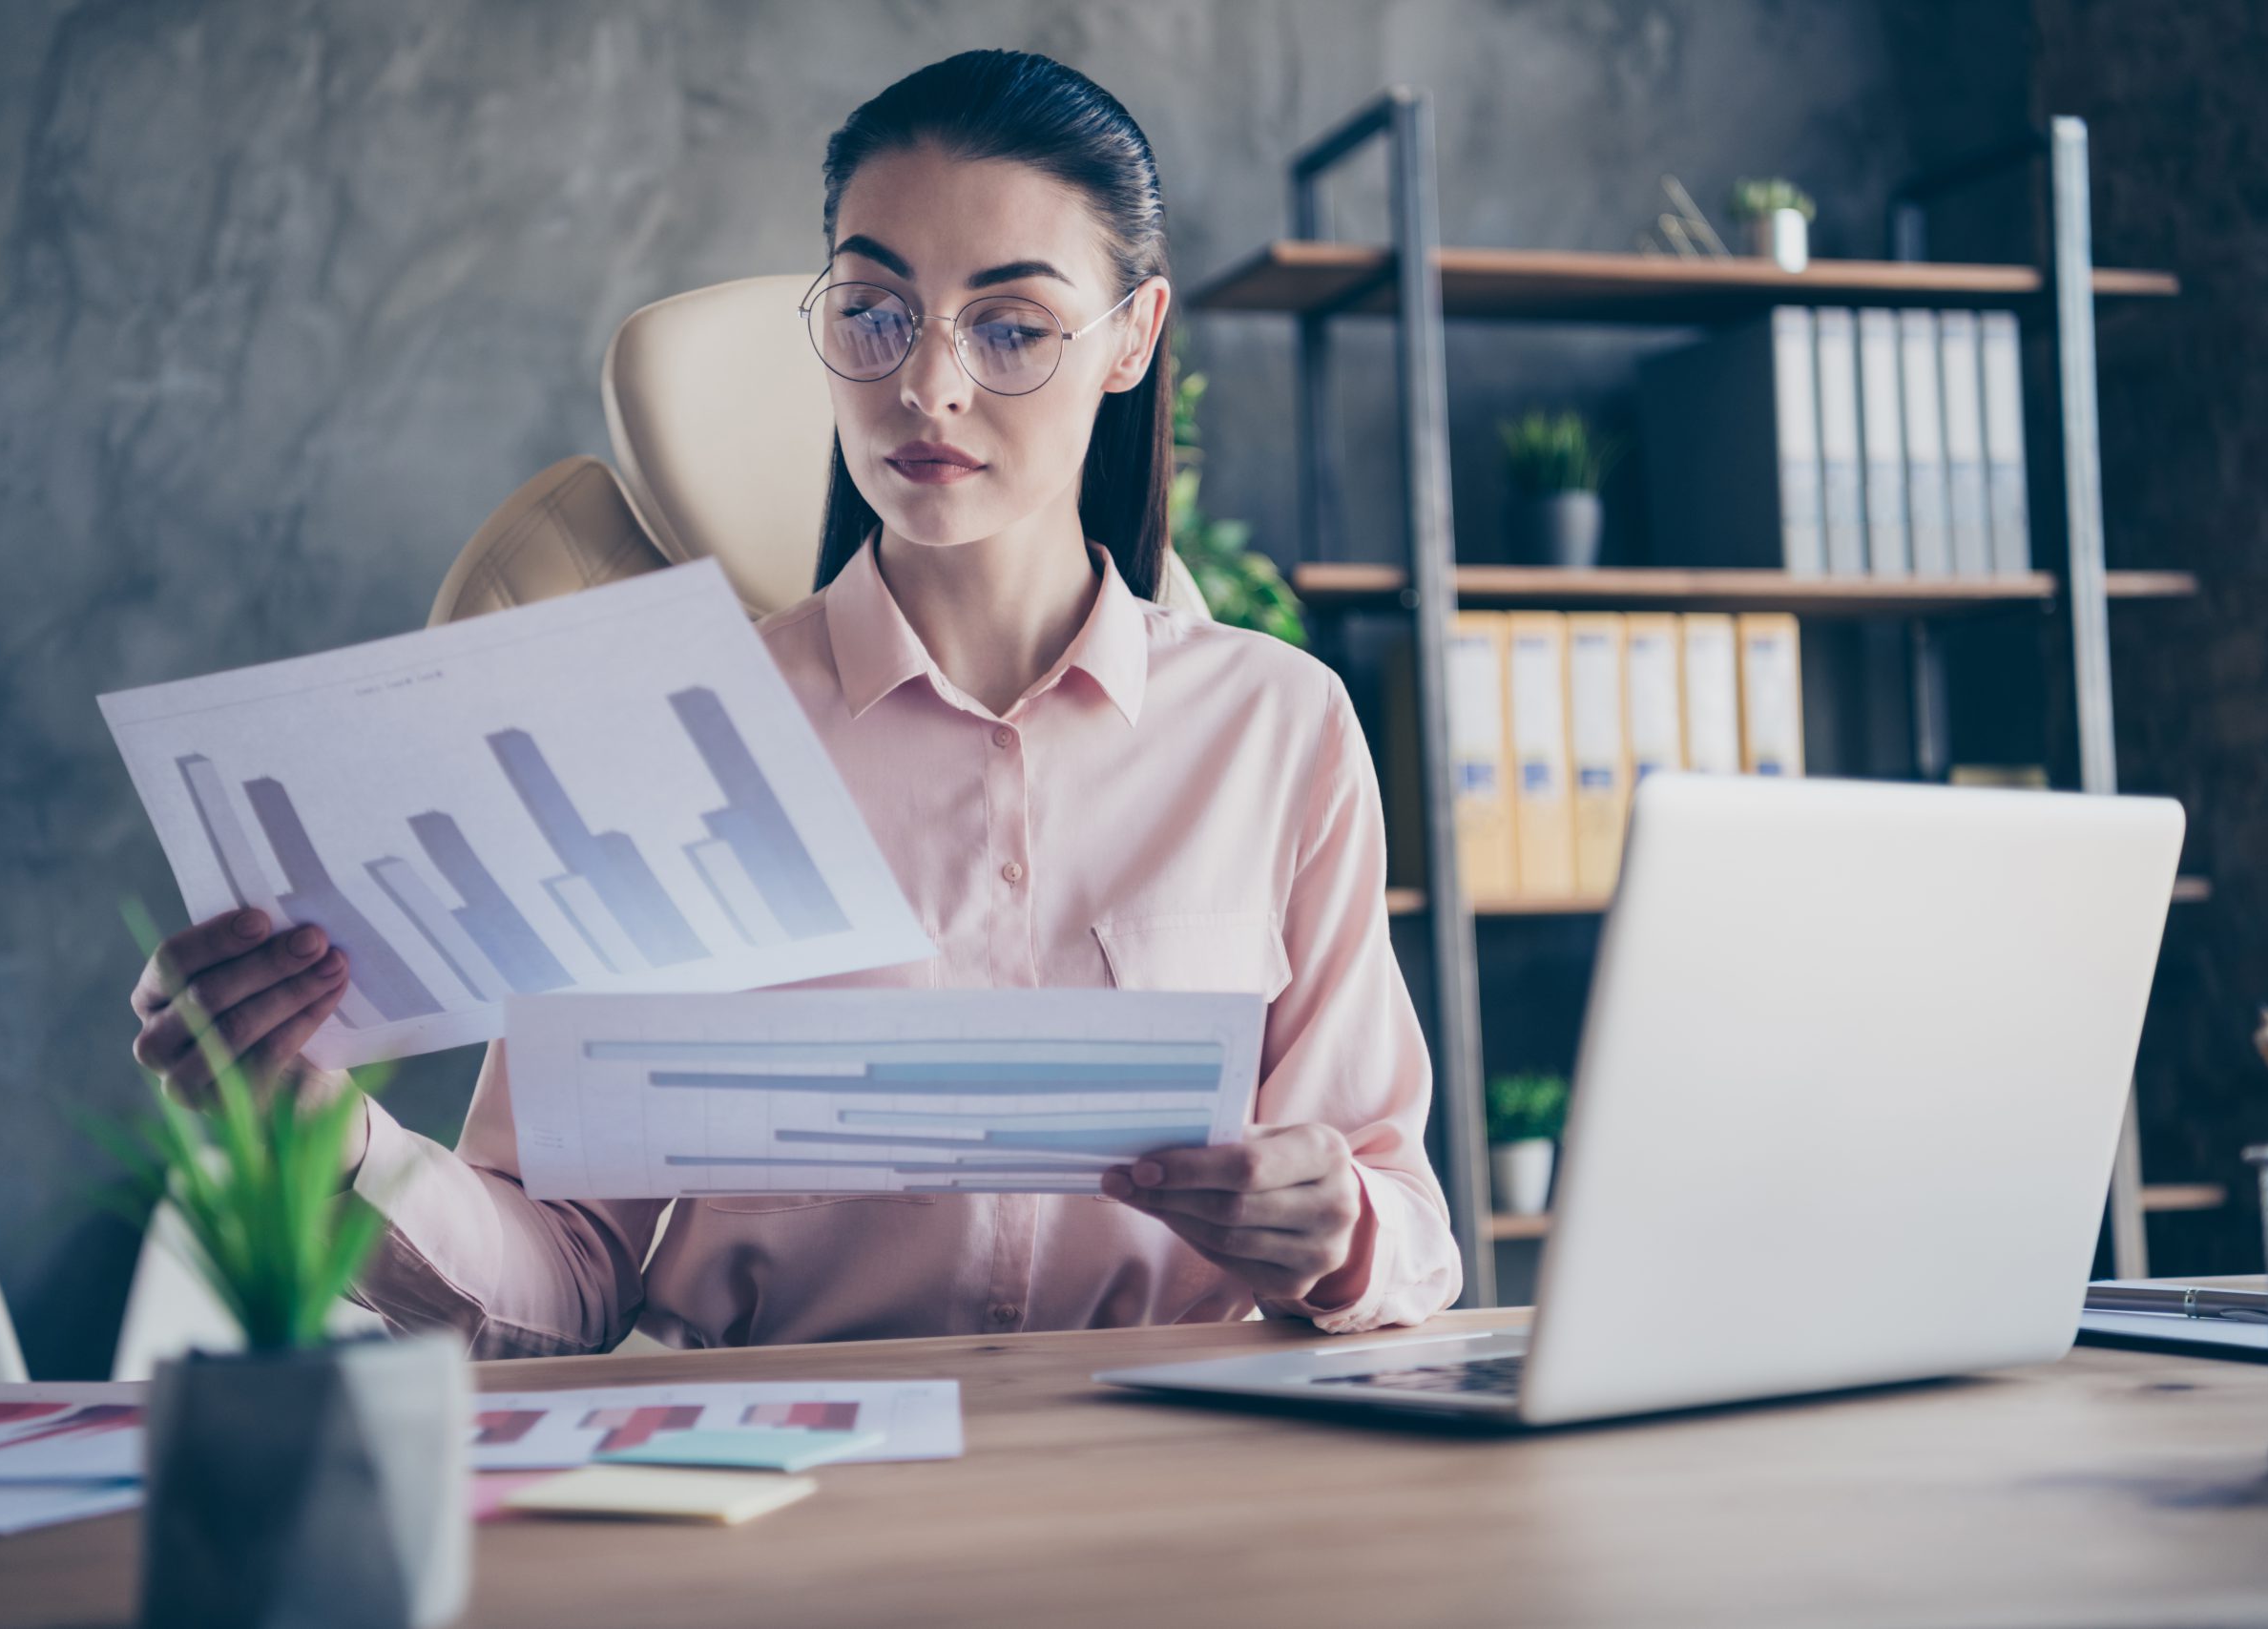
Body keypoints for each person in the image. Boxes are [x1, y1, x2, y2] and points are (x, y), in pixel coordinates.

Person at [129, 48, 1462, 1355]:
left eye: (1012, 327)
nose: (926, 385)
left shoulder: (1280, 732)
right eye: (876, 308)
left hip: (1171, 1474)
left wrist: (1336, 1227)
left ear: (1131, 339)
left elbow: (1406, 1224)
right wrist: (312, 1118)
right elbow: (566, 1277)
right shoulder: (650, 749)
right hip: (786, 1484)